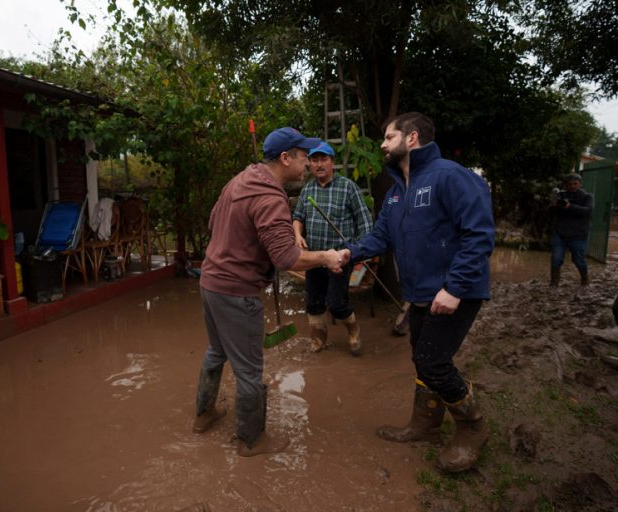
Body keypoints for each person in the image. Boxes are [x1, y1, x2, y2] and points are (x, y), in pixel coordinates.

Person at [342, 112, 495, 473]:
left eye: (389, 136)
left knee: (433, 363)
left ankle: (473, 428)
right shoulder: (396, 191)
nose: (382, 144)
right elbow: (381, 237)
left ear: (411, 139)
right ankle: (425, 426)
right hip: (422, 295)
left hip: (455, 293)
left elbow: (480, 235)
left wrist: (455, 288)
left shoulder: (450, 176)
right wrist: (348, 253)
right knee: (421, 359)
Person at [193, 127, 349, 457]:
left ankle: (204, 415)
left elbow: (212, 223)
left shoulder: (239, 181)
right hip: (237, 290)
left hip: (210, 282)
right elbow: (286, 257)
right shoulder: (270, 195)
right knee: (249, 370)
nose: (308, 164)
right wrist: (327, 256)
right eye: (304, 157)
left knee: (216, 351)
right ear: (285, 158)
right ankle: (251, 441)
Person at [292, 141, 373, 355]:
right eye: (314, 160)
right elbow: (298, 217)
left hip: (340, 258)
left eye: (323, 159)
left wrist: (358, 251)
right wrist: (298, 235)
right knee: (313, 301)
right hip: (314, 258)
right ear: (309, 163)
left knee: (336, 303)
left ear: (332, 162)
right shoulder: (307, 189)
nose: (319, 164)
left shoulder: (348, 187)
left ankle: (354, 330)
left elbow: (364, 222)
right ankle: (319, 339)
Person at [549, 174, 593, 286]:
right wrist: (553, 205)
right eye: (569, 184)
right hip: (560, 234)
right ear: (565, 185)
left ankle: (585, 280)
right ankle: (553, 284)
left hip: (578, 235)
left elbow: (587, 211)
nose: (572, 186)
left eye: (575, 184)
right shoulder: (561, 195)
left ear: (580, 184)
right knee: (556, 259)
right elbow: (550, 212)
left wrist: (570, 206)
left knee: (579, 261)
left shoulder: (587, 197)